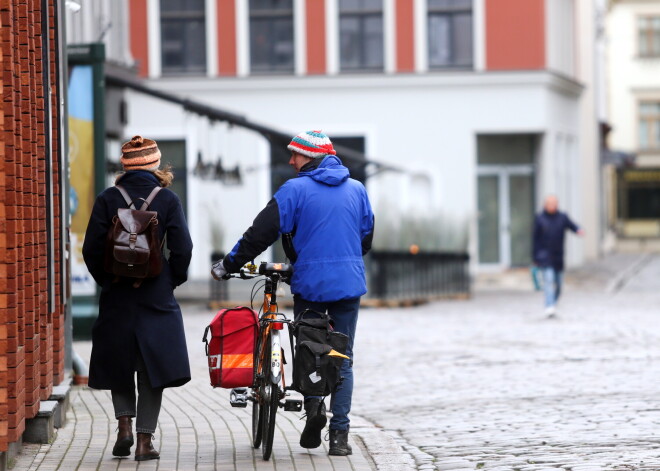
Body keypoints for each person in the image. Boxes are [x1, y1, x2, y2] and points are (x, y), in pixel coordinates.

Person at [211, 130, 374, 456]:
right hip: (348, 285)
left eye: (295, 155)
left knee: (311, 351)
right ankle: (340, 439)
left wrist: (230, 263)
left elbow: (260, 233)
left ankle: (314, 410)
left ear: (310, 157)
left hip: (311, 286)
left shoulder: (294, 190)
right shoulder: (358, 189)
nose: (290, 160)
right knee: (343, 358)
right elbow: (366, 238)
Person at [83, 136, 193, 461]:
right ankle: (145, 441)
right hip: (156, 294)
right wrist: (171, 279)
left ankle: (124, 427)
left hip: (117, 293)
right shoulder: (168, 199)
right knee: (152, 366)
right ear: (154, 164)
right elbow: (183, 248)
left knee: (119, 362)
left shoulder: (107, 198)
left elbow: (91, 249)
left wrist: (109, 280)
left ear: (126, 166)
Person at [532, 195, 584, 318]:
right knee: (548, 281)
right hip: (544, 256)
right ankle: (549, 306)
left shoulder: (562, 217)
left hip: (558, 257)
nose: (552, 206)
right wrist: (535, 257)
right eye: (550, 203)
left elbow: (572, 226)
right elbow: (535, 239)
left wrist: (578, 230)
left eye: (554, 203)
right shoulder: (540, 218)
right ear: (545, 205)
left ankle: (553, 303)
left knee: (559, 285)